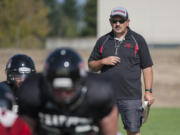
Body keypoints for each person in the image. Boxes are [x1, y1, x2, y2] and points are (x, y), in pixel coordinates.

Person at [17, 48, 118, 135]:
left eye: (68, 90)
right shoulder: (32, 91)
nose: (63, 94)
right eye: (58, 90)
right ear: (47, 83)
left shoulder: (99, 92)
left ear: (81, 83)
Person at [88, 6, 155, 135]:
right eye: (114, 21)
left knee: (133, 132)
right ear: (110, 22)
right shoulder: (103, 41)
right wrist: (102, 61)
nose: (117, 24)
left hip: (131, 97)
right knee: (103, 131)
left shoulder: (138, 40)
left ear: (127, 21)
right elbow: (91, 65)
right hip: (106, 97)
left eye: (121, 20)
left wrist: (148, 91)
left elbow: (147, 67)